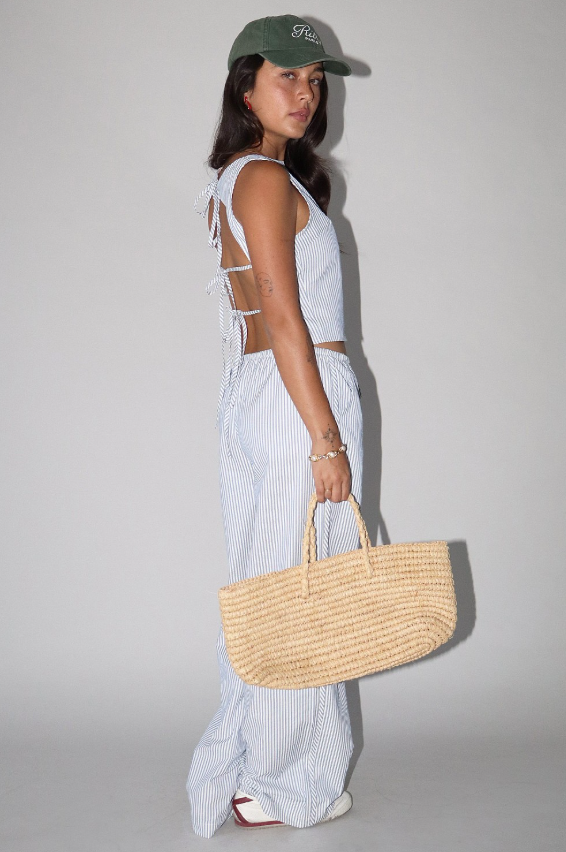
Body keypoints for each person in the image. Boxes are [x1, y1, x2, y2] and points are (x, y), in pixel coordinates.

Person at [186, 14, 363, 837]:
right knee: (297, 592)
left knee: (273, 585)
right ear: (244, 85)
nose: (305, 92)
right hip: (299, 395)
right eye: (286, 75)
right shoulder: (261, 177)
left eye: (315, 79)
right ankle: (281, 783)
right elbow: (285, 318)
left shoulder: (246, 177)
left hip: (263, 392)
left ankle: (249, 766)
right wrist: (326, 437)